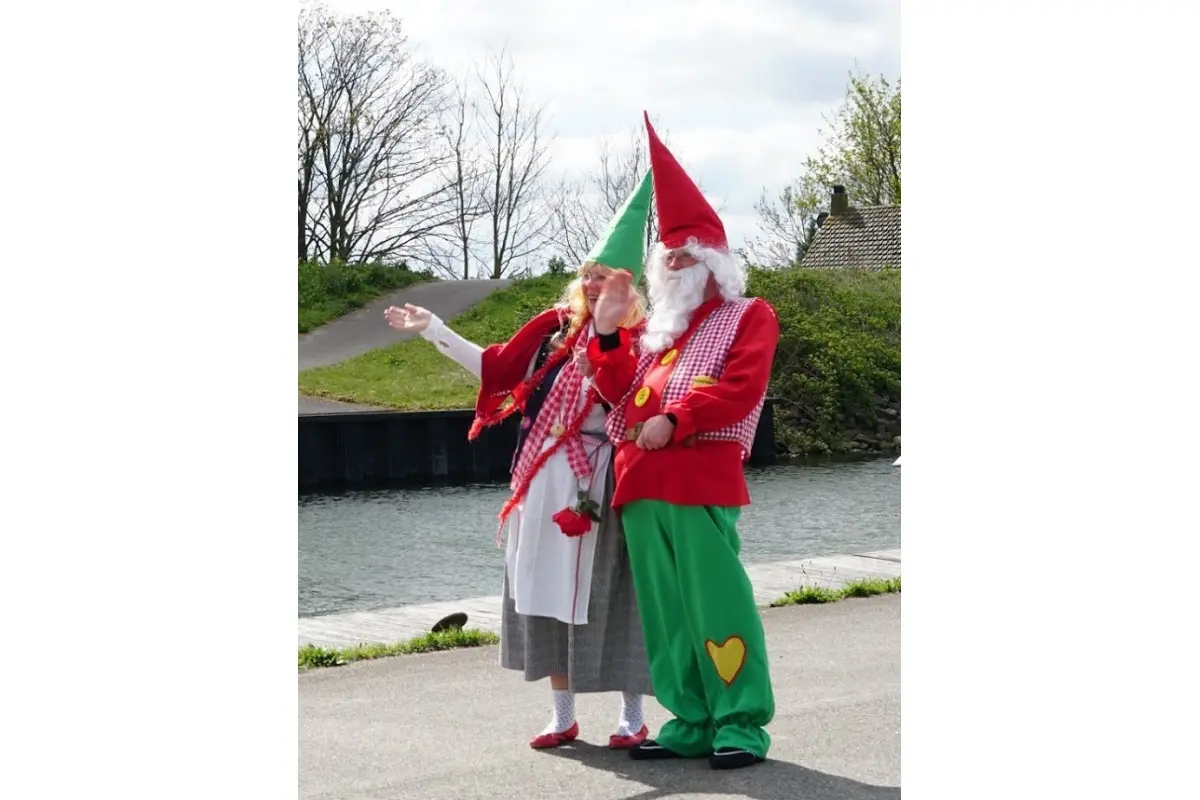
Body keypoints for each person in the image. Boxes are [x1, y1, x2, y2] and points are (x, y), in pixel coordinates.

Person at [384, 172, 656, 750]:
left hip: (603, 478)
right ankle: (563, 715)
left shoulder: (644, 339)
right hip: (542, 475)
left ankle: (632, 715)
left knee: (615, 593)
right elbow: (496, 369)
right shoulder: (553, 331)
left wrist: (605, 346)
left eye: (607, 277)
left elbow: (626, 397)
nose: (593, 284)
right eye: (589, 274)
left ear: (629, 288)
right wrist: (434, 329)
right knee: (544, 591)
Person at [585, 113, 780, 770]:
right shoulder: (658, 335)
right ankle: (691, 717)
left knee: (716, 602)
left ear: (715, 260)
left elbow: (742, 389)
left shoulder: (748, 316)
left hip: (699, 480)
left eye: (687, 252)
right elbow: (619, 395)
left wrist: (678, 418)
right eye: (667, 255)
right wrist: (607, 332)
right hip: (641, 486)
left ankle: (740, 720)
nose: (674, 263)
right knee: (666, 612)